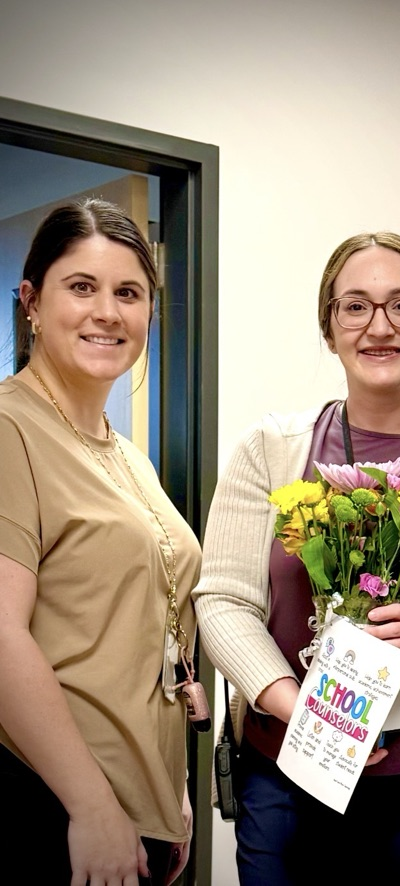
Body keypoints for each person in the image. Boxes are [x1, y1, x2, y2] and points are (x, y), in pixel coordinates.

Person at [193, 231, 400, 885]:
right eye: (355, 306)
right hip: (289, 777)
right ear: (329, 328)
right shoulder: (270, 449)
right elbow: (223, 600)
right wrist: (297, 706)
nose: (380, 327)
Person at [0, 198, 203, 885]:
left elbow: (140, 627)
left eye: (129, 293)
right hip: (53, 804)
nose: (108, 312)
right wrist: (91, 806)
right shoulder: (10, 429)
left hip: (139, 806)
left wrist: (168, 787)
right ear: (32, 302)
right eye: (82, 287)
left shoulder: (128, 455)